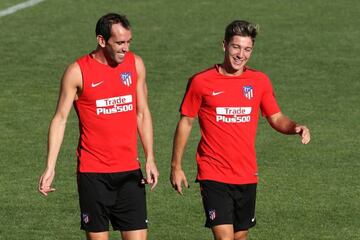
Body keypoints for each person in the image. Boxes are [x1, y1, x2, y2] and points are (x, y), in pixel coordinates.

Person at [170, 20, 310, 240]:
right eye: (236, 47)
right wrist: (176, 166)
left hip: (246, 173)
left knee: (240, 236)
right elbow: (186, 122)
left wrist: (295, 127)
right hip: (213, 172)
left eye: (247, 49)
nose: (240, 54)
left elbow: (276, 117)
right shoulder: (201, 82)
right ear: (224, 45)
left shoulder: (259, 81)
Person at [38, 13, 159, 240]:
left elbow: (142, 113)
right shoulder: (77, 71)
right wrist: (50, 166)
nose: (125, 48)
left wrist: (150, 157)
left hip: (129, 173)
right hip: (93, 175)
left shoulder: (136, 64)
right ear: (102, 41)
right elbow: (60, 119)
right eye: (119, 43)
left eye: (128, 42)